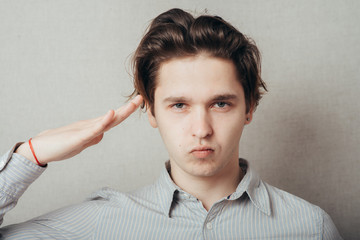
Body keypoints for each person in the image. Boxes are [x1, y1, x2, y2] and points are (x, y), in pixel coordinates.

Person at [0, 8, 342, 239]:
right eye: (179, 105)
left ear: (249, 107)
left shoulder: (310, 226)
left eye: (221, 103)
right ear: (150, 111)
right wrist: (28, 156)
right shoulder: (102, 221)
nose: (201, 128)